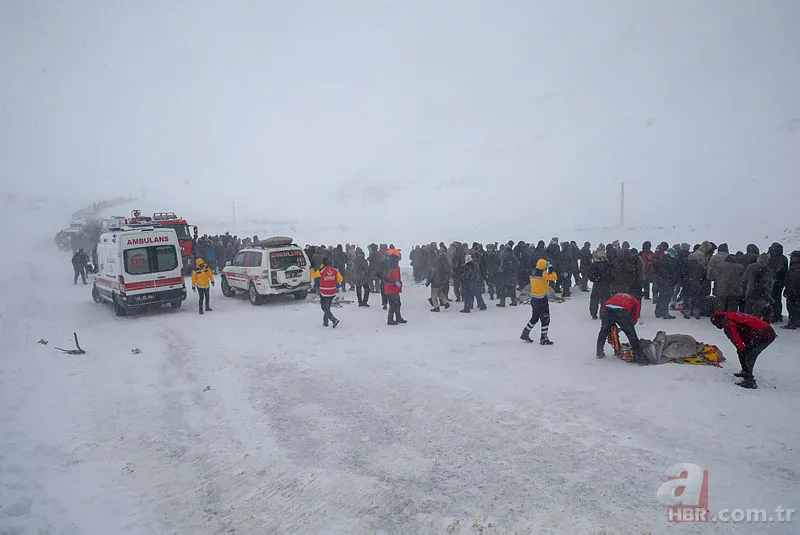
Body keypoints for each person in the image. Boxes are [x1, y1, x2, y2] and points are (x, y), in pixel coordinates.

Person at [710, 312, 776, 389]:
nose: (718, 327)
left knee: (749, 354)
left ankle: (750, 381)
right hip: (763, 331)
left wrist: (741, 349)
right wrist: (741, 349)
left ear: (719, 322)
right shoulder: (730, 316)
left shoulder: (727, 322)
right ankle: (745, 371)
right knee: (745, 351)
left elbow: (735, 338)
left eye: (717, 325)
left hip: (764, 334)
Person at [596, 293, 648, 365]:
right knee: (632, 336)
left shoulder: (618, 295)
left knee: (604, 331)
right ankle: (640, 358)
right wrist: (628, 327)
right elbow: (635, 316)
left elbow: (604, 307)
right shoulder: (636, 302)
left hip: (607, 309)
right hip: (621, 311)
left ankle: (599, 352)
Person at [520, 259, 556, 345]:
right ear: (544, 266)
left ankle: (525, 333)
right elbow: (554, 277)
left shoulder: (533, 274)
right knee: (546, 319)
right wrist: (551, 270)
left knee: (535, 318)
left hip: (534, 299)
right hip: (542, 299)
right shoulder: (543, 274)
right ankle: (544, 338)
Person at [311, 256, 342, 328]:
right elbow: (340, 280)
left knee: (324, 307)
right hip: (332, 291)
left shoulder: (321, 270)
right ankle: (325, 322)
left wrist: (312, 269)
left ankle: (333, 319)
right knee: (327, 307)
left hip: (324, 292)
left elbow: (313, 275)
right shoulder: (335, 270)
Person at [653, 248, 679, 319]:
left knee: (662, 296)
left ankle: (658, 312)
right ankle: (665, 313)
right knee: (666, 298)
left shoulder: (662, 259)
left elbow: (656, 268)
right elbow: (674, 272)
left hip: (662, 280)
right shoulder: (671, 261)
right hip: (668, 281)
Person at [588, 248, 612, 320]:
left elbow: (590, 275)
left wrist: (595, 278)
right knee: (604, 300)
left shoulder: (594, 264)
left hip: (597, 284)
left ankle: (593, 314)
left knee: (594, 299)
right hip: (605, 285)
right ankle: (603, 314)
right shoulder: (608, 264)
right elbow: (612, 275)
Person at [767, 242, 789, 323]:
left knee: (771, 299)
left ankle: (773, 316)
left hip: (772, 282)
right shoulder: (784, 258)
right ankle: (778, 315)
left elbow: (772, 269)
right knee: (777, 299)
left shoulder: (772, 258)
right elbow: (784, 270)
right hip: (780, 282)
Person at [384, 251, 406, 325]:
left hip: (396, 288)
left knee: (398, 303)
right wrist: (394, 282)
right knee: (393, 304)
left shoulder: (396, 267)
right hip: (390, 289)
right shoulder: (389, 267)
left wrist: (399, 283)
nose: (398, 261)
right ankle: (390, 319)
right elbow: (386, 279)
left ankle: (398, 317)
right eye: (397, 260)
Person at [783, 250, 800, 330]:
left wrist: (788, 290)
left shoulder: (795, 267)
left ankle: (792, 323)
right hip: (797, 291)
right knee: (797, 306)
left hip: (793, 291)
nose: (790, 258)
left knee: (791, 307)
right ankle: (797, 322)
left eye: (792, 256)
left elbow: (792, 280)